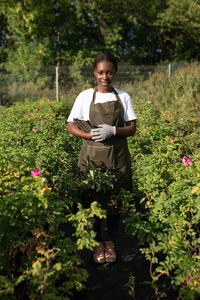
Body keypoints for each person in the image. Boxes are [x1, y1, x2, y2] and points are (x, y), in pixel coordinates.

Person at [67, 52, 137, 263]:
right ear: (94, 73)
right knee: (94, 202)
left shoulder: (123, 97)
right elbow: (71, 126)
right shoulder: (85, 96)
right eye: (100, 72)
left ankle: (111, 243)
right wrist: (90, 135)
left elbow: (132, 128)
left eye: (109, 72)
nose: (105, 77)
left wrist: (113, 130)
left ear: (115, 73)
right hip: (92, 159)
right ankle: (98, 244)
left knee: (115, 203)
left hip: (117, 158)